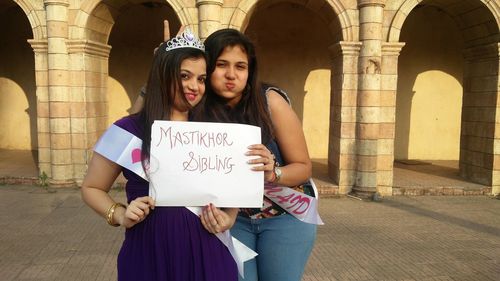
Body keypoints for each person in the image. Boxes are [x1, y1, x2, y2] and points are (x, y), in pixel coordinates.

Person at [81, 29, 239, 281]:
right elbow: (91, 187)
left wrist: (228, 219)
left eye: (201, 79)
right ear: (162, 75)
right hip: (148, 251)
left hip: (208, 249)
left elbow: (233, 192)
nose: (194, 86)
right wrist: (120, 214)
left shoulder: (214, 128)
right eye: (184, 75)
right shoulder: (127, 130)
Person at [193, 29, 317, 281]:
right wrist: (164, 65)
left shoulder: (270, 101)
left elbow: (303, 167)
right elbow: (145, 119)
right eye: (221, 65)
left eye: (240, 66)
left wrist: (274, 172)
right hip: (231, 219)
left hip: (285, 217)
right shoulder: (196, 106)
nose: (231, 75)